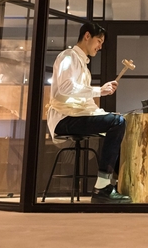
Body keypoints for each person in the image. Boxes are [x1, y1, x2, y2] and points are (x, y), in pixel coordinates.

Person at [47, 22, 131, 204]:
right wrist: (99, 91)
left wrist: (105, 114)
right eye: (99, 41)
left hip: (75, 117)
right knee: (117, 122)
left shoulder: (83, 66)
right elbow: (66, 88)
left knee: (119, 122)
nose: (100, 46)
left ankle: (115, 184)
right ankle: (102, 187)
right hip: (64, 119)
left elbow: (86, 103)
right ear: (87, 36)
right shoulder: (68, 56)